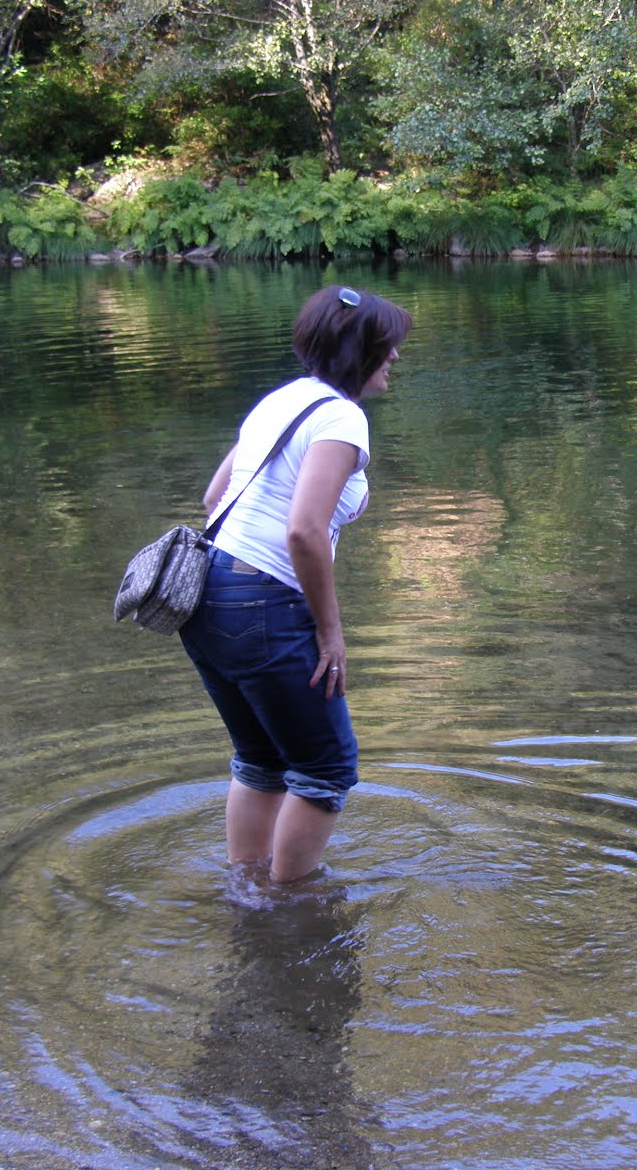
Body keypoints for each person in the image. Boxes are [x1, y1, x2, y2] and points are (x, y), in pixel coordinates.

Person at [179, 284, 412, 883]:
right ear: (359, 349)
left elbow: (214, 499)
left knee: (259, 759)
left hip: (207, 597)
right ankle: (290, 913)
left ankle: (247, 891)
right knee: (326, 767)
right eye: (387, 346)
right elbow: (304, 531)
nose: (395, 357)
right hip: (264, 602)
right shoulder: (341, 418)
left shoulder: (280, 400)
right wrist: (330, 633)